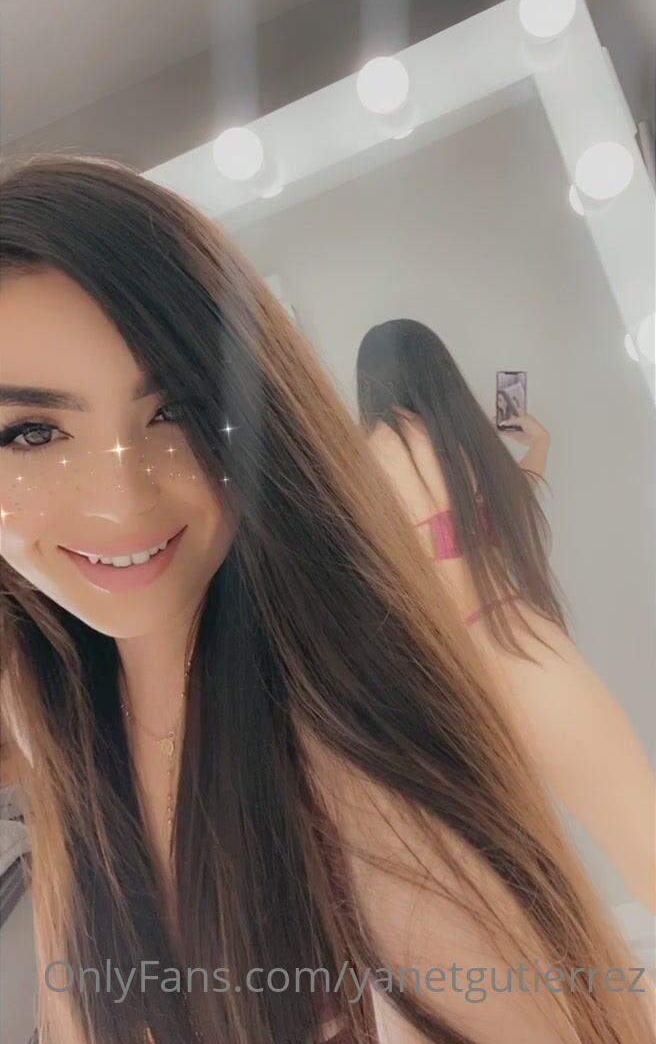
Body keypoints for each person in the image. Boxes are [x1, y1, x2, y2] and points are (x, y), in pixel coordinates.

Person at [0, 159, 653, 1044]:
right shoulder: (472, 439)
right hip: (507, 627)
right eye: (33, 432)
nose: (122, 503)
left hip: (441, 645)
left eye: (177, 409)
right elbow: (525, 464)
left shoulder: (376, 465)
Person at [356, 319, 656, 925]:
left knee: (526, 887)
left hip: (457, 689)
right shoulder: (465, 438)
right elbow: (520, 490)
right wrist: (535, 438)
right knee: (637, 828)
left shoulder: (363, 463)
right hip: (530, 651)